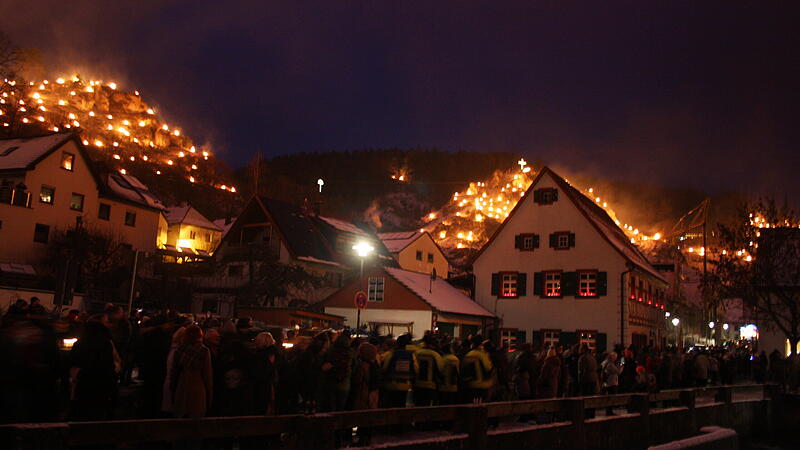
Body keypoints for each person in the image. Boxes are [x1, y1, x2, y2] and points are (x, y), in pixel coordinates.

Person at [70, 315, 119, 421]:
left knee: (83, 410)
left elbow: (73, 361)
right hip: (101, 382)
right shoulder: (106, 343)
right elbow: (109, 363)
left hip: (84, 380)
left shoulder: (80, 343)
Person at [380, 334, 417, 408]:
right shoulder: (411, 355)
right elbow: (416, 369)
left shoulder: (392, 354)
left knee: (391, 406)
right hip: (405, 385)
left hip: (391, 385)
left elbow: (384, 368)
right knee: (401, 405)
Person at [460, 337, 494, 403]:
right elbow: (488, 368)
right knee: (481, 404)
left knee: (472, 403)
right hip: (482, 384)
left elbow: (464, 369)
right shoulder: (482, 355)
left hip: (471, 384)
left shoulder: (468, 355)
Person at [413, 335, 443, 406]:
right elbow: (440, 369)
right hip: (430, 385)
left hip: (417, 384)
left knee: (418, 405)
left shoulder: (417, 353)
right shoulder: (435, 354)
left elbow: (413, 367)